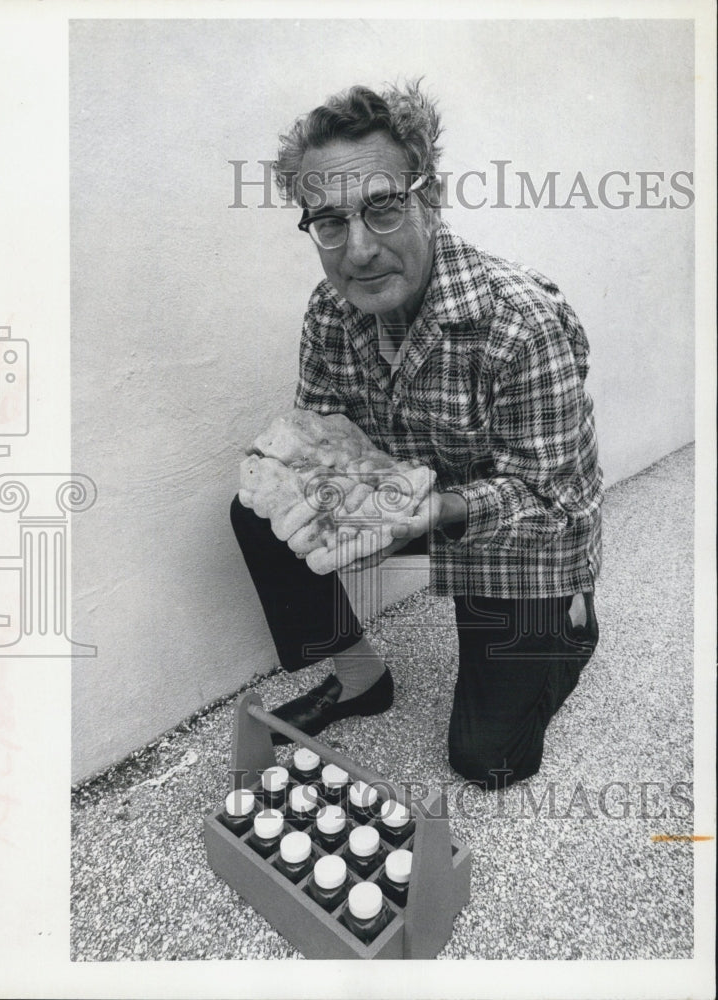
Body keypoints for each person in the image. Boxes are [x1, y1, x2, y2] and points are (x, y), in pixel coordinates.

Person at [230, 81, 602, 790]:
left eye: (382, 206)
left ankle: (571, 623)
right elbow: (321, 437)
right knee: (262, 513)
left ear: (427, 199)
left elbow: (551, 502)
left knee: (488, 760)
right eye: (330, 222)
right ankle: (359, 675)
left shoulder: (520, 320)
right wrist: (322, 483)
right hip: (412, 499)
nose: (359, 250)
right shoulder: (329, 312)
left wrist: (430, 509)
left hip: (524, 530)